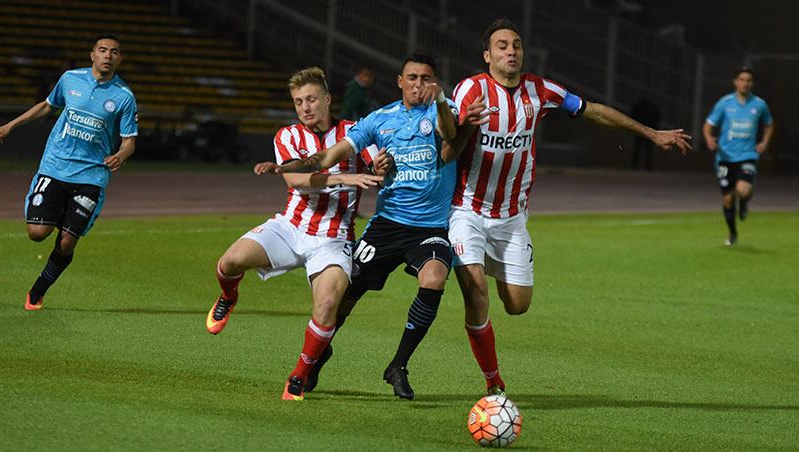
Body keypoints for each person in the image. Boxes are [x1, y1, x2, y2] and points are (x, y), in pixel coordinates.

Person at [445, 18, 692, 395]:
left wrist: (650, 133)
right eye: (501, 46)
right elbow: (447, 137)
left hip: (512, 218)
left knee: (517, 305)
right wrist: (464, 123)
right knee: (475, 291)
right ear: (487, 55)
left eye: (516, 45)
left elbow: (593, 110)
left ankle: (487, 268)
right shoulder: (470, 90)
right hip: (467, 210)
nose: (511, 51)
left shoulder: (540, 90)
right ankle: (494, 382)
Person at [258, 54, 458, 400]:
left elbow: (451, 133)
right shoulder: (378, 120)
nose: (419, 85)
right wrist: (288, 166)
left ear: (435, 81)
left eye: (426, 78)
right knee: (345, 298)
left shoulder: (443, 109)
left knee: (435, 277)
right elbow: (326, 157)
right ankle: (317, 357)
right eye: (412, 78)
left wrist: (440, 99)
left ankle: (398, 365)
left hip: (430, 226)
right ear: (400, 81)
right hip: (387, 225)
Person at [204, 67, 383, 401]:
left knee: (327, 304)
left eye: (311, 99)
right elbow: (295, 181)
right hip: (290, 227)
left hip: (334, 237)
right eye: (299, 101)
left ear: (328, 100)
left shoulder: (354, 133)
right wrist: (345, 179)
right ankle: (229, 296)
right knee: (231, 262)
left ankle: (298, 377)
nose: (305, 107)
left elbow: (379, 166)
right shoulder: (287, 136)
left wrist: (383, 166)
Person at [0, 34, 138, 310]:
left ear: (120, 59)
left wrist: (120, 155)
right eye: (103, 50)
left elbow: (129, 141)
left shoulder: (124, 97)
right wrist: (10, 126)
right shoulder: (70, 78)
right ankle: (60, 211)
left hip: (91, 176)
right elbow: (48, 106)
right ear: (92, 55)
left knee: (67, 242)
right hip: (55, 166)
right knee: (37, 233)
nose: (108, 56)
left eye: (114, 52)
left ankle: (38, 291)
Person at [702, 67, 774, 246]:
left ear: (752, 83)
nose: (745, 83)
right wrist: (709, 138)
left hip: (747, 155)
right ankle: (733, 233)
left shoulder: (759, 104)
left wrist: (765, 141)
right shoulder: (725, 103)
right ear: (736, 82)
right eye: (742, 79)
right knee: (727, 198)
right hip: (725, 157)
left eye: (748, 80)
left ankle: (743, 202)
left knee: (743, 190)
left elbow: (769, 124)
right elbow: (708, 125)